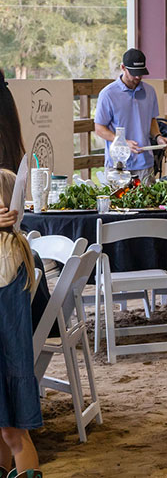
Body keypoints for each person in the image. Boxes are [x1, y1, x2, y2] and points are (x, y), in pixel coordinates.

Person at [0, 169, 42, 478]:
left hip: (6, 362)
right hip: (8, 362)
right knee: (6, 433)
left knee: (14, 435)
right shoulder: (16, 243)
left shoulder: (6, 250)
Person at [94, 49, 167, 183]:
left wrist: (158, 137)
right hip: (117, 167)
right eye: (134, 73)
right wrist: (122, 142)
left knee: (149, 204)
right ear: (123, 68)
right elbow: (99, 128)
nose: (138, 77)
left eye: (141, 73)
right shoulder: (108, 94)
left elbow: (151, 120)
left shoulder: (150, 91)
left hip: (145, 165)